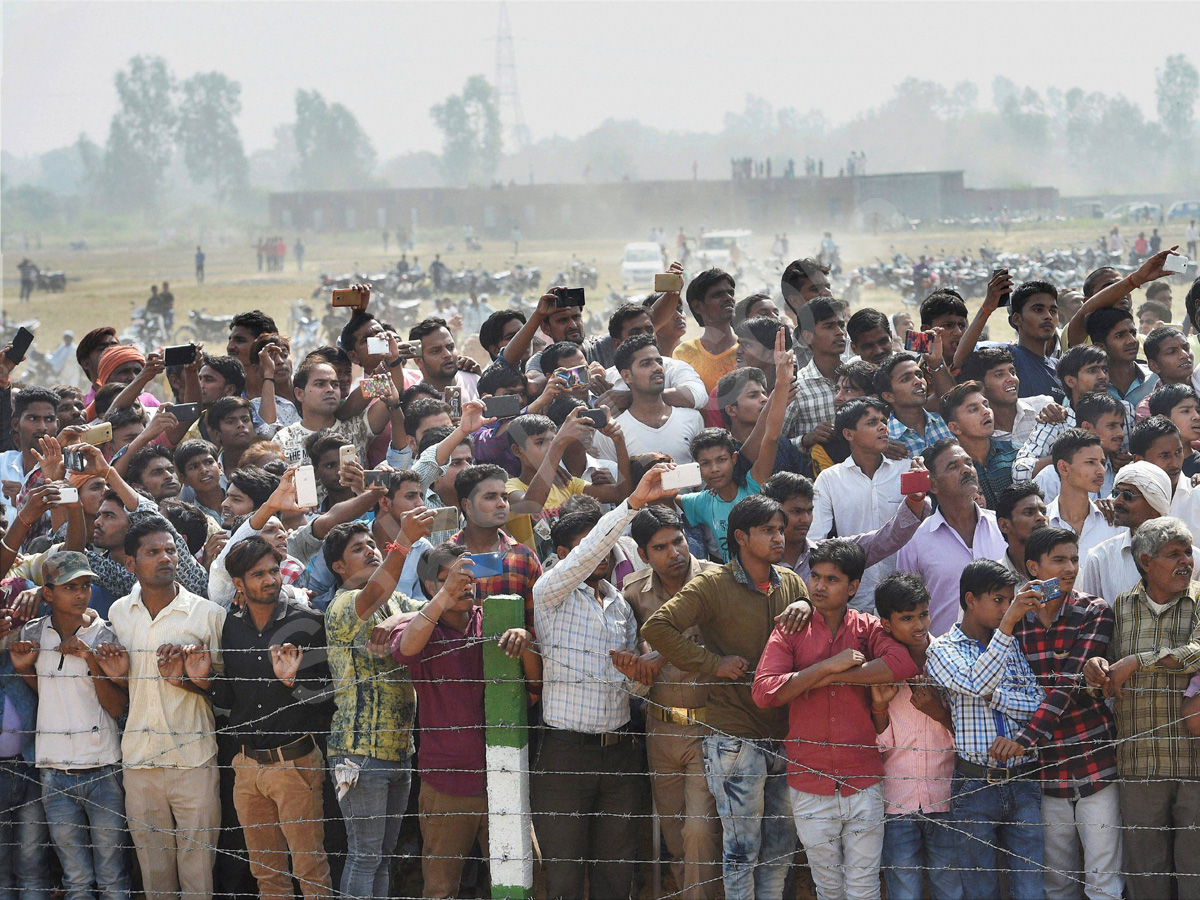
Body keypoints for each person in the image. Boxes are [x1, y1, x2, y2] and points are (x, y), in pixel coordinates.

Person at [643, 494, 812, 900]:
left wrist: (806, 602)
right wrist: (712, 663)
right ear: (740, 536)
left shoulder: (790, 581)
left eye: (779, 529)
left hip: (785, 733)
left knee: (779, 846)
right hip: (734, 735)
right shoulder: (712, 584)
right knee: (740, 848)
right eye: (767, 530)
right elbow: (657, 627)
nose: (778, 537)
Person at [529, 464, 674, 900]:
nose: (602, 554)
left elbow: (630, 687)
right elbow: (587, 553)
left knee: (616, 877)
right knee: (565, 878)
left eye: (609, 547)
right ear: (562, 554)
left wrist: (641, 676)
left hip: (619, 754)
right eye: (590, 548)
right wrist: (630, 505)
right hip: (564, 755)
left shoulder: (621, 606)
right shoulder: (550, 592)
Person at [753, 539, 918, 900]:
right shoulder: (791, 628)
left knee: (863, 888)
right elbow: (764, 692)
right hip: (809, 779)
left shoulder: (869, 628)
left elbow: (904, 663)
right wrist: (827, 666)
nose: (818, 586)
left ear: (853, 587)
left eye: (831, 579)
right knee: (827, 887)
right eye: (814, 576)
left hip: (862, 778)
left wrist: (833, 677)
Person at [392, 543, 538, 898]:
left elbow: (535, 687)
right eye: (450, 580)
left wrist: (526, 639)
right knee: (441, 887)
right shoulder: (421, 627)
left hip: (502, 776)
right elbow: (406, 649)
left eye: (468, 579)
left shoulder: (493, 621)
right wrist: (444, 596)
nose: (464, 586)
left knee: (525, 877)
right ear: (430, 587)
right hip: (446, 784)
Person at [192, 536, 334, 899]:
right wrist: (203, 680)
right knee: (265, 872)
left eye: (274, 570)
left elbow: (327, 700)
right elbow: (234, 699)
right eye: (259, 574)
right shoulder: (232, 627)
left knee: (310, 867)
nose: (271, 579)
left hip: (295, 762)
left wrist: (293, 681)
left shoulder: (307, 623)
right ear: (238, 584)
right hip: (247, 766)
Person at [100, 516, 226, 900]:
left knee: (199, 873)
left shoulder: (207, 615)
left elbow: (226, 692)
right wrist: (118, 675)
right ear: (130, 563)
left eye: (170, 550)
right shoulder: (120, 614)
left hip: (194, 760)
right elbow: (124, 684)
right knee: (154, 876)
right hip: (139, 761)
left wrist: (191, 677)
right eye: (152, 552)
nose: (165, 558)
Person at [1084, 517, 1200, 898]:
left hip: (1194, 761)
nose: (1186, 561)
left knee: (1195, 873)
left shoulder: (1198, 598)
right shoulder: (1122, 605)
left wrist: (1137, 661)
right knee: (1146, 876)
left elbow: (1195, 653)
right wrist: (1098, 672)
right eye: (1173, 554)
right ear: (1146, 561)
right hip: (1141, 763)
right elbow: (1111, 678)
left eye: (1187, 552)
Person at [323, 510, 432, 899]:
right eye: (359, 549)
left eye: (372, 544)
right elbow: (371, 596)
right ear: (338, 566)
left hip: (399, 750)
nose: (371, 551)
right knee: (365, 857)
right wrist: (402, 542)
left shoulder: (394, 601)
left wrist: (399, 616)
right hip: (359, 753)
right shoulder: (343, 604)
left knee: (383, 857)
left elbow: (427, 612)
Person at [10, 551, 131, 898]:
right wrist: (23, 669)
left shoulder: (105, 635)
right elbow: (48, 690)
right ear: (47, 593)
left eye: (85, 586)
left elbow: (117, 705)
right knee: (75, 878)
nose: (81, 594)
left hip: (102, 768)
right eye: (70, 587)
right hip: (55, 771)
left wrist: (90, 659)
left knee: (112, 877)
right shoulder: (34, 634)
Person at [1014, 527, 1124, 900]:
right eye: (1059, 560)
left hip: (1094, 760)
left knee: (1103, 876)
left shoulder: (1093, 611)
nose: (1070, 568)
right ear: (1033, 567)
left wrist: (1024, 740)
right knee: (1057, 881)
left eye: (1074, 559)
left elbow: (1070, 685)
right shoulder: (1017, 622)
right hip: (1045, 769)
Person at [926, 559, 1047, 900]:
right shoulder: (942, 649)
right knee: (979, 889)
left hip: (1023, 780)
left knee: (1031, 889)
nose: (1006, 608)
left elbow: (1037, 703)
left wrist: (995, 695)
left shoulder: (1011, 645)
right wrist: (1008, 626)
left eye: (1010, 600)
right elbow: (975, 681)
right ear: (970, 600)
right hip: (974, 784)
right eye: (998, 600)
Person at [622, 506, 722, 898]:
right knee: (675, 836)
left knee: (700, 832)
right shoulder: (633, 593)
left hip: (709, 725)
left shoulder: (718, 581)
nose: (674, 553)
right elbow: (627, 655)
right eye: (660, 547)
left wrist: (661, 653)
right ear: (644, 554)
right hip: (659, 728)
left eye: (677, 540)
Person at [869, 573, 961, 900]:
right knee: (902, 889)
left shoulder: (950, 660)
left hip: (945, 796)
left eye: (923, 613)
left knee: (949, 886)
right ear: (886, 624)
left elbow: (969, 734)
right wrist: (879, 708)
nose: (918, 624)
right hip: (897, 801)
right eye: (906, 618)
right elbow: (881, 747)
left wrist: (939, 712)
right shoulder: (880, 671)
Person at [897, 438, 1008, 636]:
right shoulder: (915, 541)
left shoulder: (1002, 526)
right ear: (933, 485)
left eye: (969, 463)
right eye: (953, 466)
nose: (966, 470)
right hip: (945, 659)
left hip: (1007, 651)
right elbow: (905, 608)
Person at [810, 398, 911, 610]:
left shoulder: (907, 470)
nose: (883, 427)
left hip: (906, 593)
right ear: (848, 434)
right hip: (856, 597)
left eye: (883, 421)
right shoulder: (830, 479)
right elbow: (815, 541)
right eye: (872, 422)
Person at [955, 278, 1064, 401]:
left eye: (1053, 311)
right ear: (1017, 319)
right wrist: (987, 308)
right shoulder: (1006, 356)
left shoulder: (1060, 369)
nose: (1048, 316)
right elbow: (960, 361)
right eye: (1038, 310)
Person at [611, 334, 705, 463]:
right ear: (627, 376)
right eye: (646, 364)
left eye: (659, 362)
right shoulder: (613, 433)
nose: (658, 368)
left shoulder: (692, 419)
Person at [1044, 429, 1122, 560]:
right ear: (1063, 468)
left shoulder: (1113, 522)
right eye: (1090, 462)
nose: (1102, 471)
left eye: (1102, 463)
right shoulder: (1042, 524)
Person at [940, 380, 1016, 509]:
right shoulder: (952, 471)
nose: (986, 412)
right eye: (973, 409)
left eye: (986, 405)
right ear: (955, 427)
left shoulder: (1016, 452)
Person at [959, 345, 1054, 445]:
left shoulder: (1043, 407)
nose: (1012, 379)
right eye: (999, 375)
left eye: (1012, 372)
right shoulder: (978, 432)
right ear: (980, 386)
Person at [787, 298, 847, 450]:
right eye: (829, 326)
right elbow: (773, 443)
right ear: (808, 337)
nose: (840, 332)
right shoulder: (797, 388)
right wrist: (806, 440)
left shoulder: (856, 377)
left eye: (841, 325)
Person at [672, 268, 740, 393]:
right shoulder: (684, 353)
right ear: (697, 306)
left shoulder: (747, 349)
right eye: (718, 295)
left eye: (730, 293)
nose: (728, 298)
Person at [876, 352, 953, 457]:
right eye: (905, 379)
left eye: (919, 375)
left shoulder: (947, 423)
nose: (918, 381)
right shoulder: (885, 440)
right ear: (889, 396)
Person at [995, 482, 1049, 582]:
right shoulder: (992, 581)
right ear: (1004, 525)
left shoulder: (1064, 570)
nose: (1041, 517)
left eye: (1043, 512)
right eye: (1029, 512)